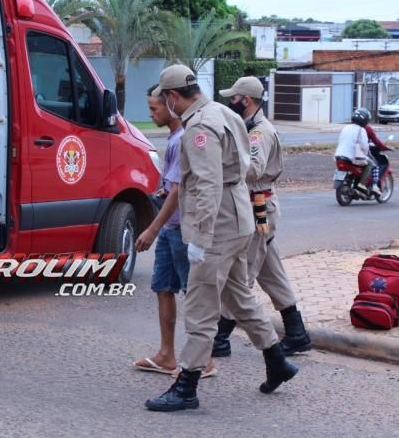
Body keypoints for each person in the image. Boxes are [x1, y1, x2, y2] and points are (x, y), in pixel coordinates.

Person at [144, 65, 298, 413]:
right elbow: (243, 163)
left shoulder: (199, 125)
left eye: (163, 101)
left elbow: (208, 183)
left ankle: (187, 385)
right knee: (239, 296)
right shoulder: (224, 112)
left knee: (200, 306)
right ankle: (277, 360)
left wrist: (200, 236)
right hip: (240, 215)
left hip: (218, 224)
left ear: (171, 97)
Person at [211, 77, 312, 358]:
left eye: (234, 97)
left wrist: (224, 168)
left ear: (247, 100)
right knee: (271, 274)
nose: (230, 102)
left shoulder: (259, 134)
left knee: (242, 276)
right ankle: (296, 333)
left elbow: (253, 169)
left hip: (258, 209)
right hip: (260, 207)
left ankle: (219, 337)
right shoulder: (250, 128)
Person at [133, 86, 216, 379]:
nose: (150, 114)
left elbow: (179, 191)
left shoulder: (183, 138)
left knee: (192, 295)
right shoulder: (174, 138)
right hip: (170, 229)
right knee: (163, 289)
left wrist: (152, 229)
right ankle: (167, 355)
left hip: (181, 230)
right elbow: (173, 186)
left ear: (171, 103)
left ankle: (203, 361)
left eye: (154, 108)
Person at [335, 108, 378, 196]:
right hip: (351, 157)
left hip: (338, 155)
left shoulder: (346, 127)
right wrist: (366, 153)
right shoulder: (361, 130)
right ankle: (362, 184)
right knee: (370, 164)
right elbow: (365, 146)